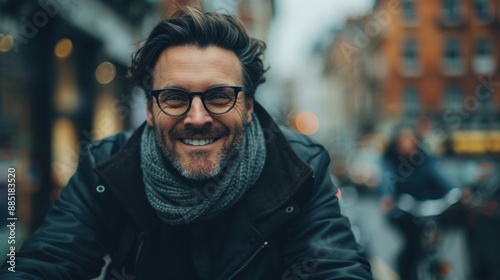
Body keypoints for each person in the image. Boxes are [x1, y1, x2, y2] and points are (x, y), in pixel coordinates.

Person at [1, 6, 372, 279]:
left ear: (247, 108)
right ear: (149, 109)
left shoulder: (300, 167)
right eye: (175, 98)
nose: (197, 118)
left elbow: (334, 266)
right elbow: (49, 262)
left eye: (219, 96)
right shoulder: (105, 170)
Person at [379, 125, 453, 280]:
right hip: (405, 210)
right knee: (412, 246)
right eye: (403, 140)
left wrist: (456, 190)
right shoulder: (391, 160)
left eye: (410, 139)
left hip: (429, 206)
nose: (407, 143)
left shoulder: (424, 157)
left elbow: (440, 176)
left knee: (436, 242)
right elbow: (388, 181)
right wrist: (387, 198)